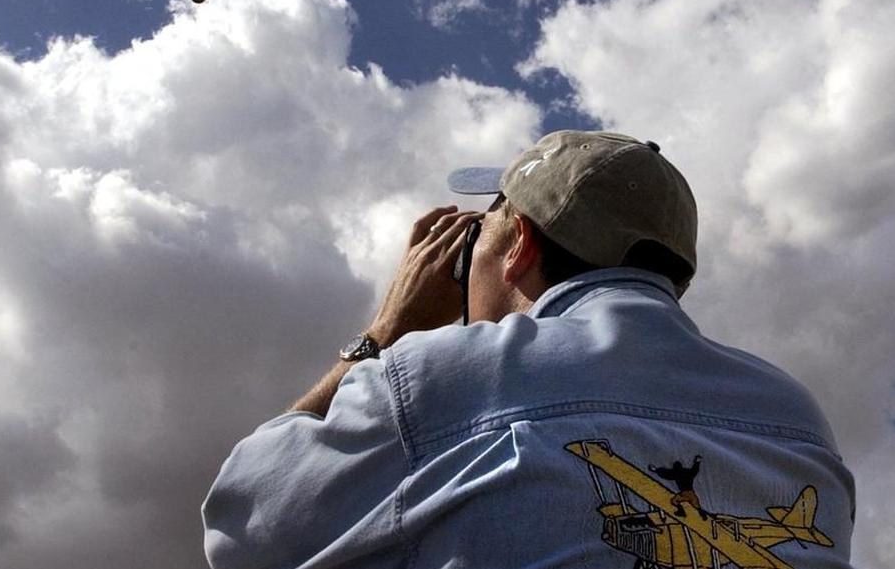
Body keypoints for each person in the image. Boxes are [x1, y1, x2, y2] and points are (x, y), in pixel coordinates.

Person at [201, 130, 856, 568]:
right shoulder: (797, 414)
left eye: (481, 230)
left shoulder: (433, 380)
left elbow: (241, 527)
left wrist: (382, 334)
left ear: (521, 245)